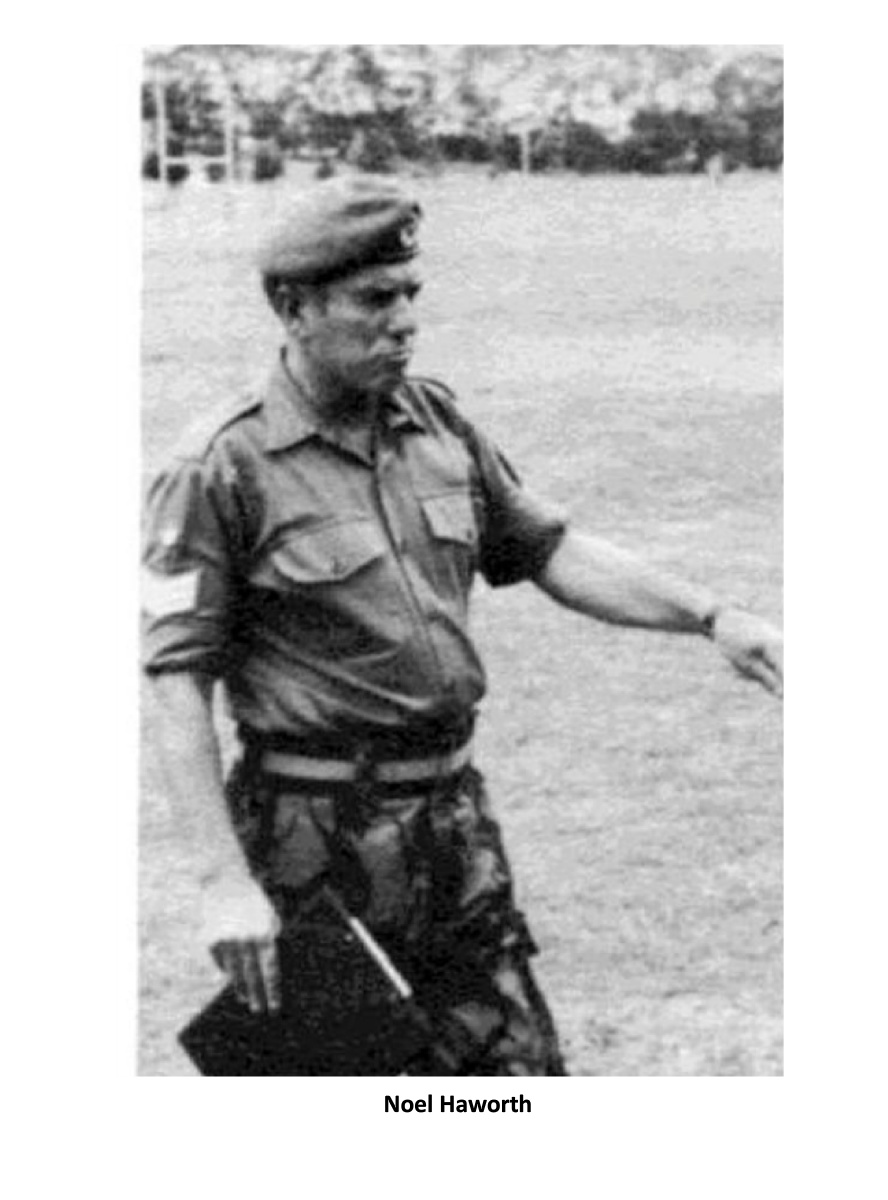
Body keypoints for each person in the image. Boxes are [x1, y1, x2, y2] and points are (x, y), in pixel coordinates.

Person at [142, 174, 782, 1076]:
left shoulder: (435, 422)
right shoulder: (219, 466)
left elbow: (549, 550)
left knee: (515, 1087)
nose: (404, 321)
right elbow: (177, 681)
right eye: (374, 300)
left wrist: (713, 618)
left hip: (452, 822)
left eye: (410, 294)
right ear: (293, 307)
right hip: (311, 839)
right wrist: (223, 882)